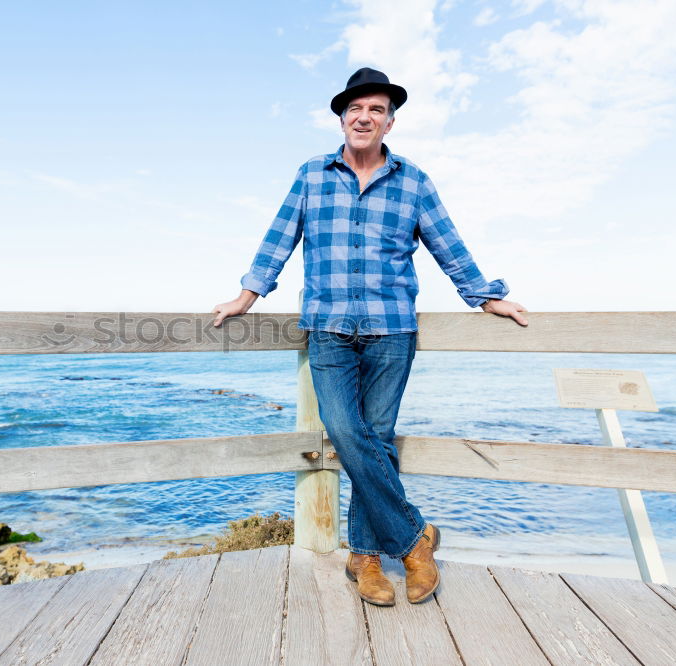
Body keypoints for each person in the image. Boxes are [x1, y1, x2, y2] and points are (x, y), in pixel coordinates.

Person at [212, 68, 528, 605]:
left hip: (390, 329)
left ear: (390, 121)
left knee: (376, 441)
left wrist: (485, 294)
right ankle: (414, 537)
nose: (364, 118)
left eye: (376, 110)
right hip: (329, 329)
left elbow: (447, 244)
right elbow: (278, 238)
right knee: (347, 432)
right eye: (355, 109)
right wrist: (248, 295)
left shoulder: (413, 181)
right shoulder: (312, 174)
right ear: (342, 118)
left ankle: (364, 558)